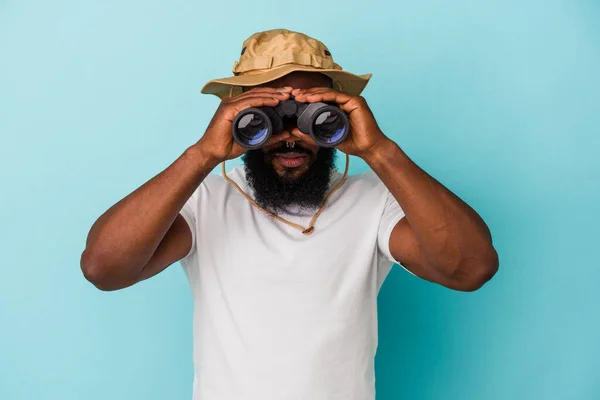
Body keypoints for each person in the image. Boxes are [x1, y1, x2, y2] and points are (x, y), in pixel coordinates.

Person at [81, 28, 499, 400]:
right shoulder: (203, 200)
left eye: (308, 114)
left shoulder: (375, 202)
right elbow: (104, 268)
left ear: (338, 110)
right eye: (268, 114)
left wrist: (378, 149)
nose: (290, 137)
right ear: (234, 115)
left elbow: (470, 268)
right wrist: (203, 154)